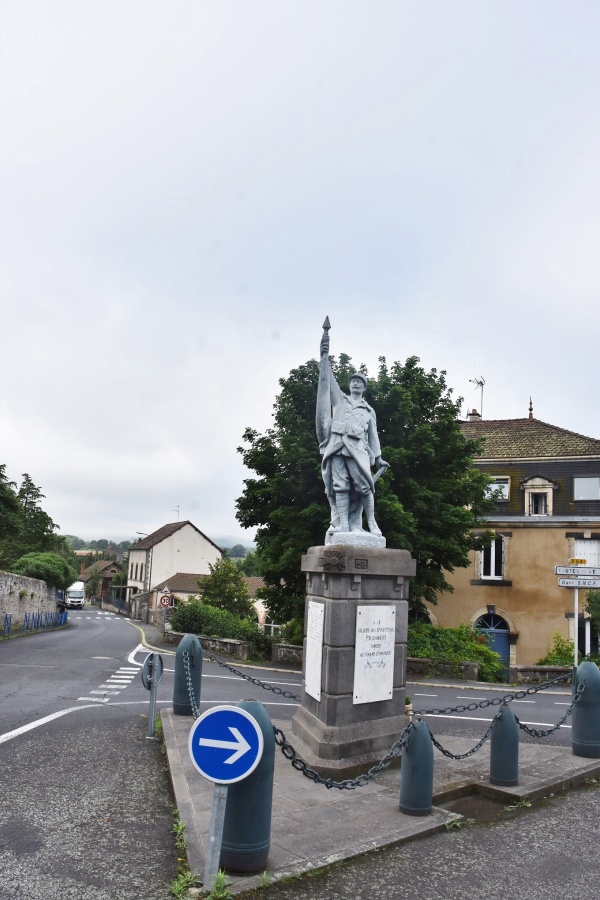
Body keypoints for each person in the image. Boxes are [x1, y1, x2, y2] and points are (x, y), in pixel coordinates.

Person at [316, 322, 388, 538]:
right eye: (353, 381)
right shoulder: (340, 399)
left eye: (360, 382)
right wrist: (324, 355)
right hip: (338, 446)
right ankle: (343, 525)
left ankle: (372, 523)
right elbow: (327, 378)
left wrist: (378, 458)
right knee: (340, 486)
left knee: (365, 487)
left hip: (358, 449)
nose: (356, 384)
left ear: (364, 387)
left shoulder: (368, 410)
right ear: (349, 385)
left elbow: (373, 436)